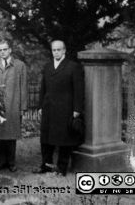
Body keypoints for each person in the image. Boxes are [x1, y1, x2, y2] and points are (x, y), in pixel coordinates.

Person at [35, 40, 84, 176]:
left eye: (58, 49)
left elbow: (79, 90)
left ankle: (61, 168)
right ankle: (46, 165)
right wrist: (40, 106)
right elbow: (43, 88)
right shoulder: (48, 66)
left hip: (66, 109)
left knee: (64, 139)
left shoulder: (73, 67)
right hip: (49, 108)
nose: (56, 52)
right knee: (46, 139)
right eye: (54, 50)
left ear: (64, 50)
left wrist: (77, 109)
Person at [0, 39, 28, 172]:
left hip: (13, 105)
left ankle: (11, 162)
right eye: (0, 50)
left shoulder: (20, 65)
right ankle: (1, 162)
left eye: (5, 49)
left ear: (10, 50)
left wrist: (22, 107)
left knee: (11, 135)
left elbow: (23, 87)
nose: (2, 52)